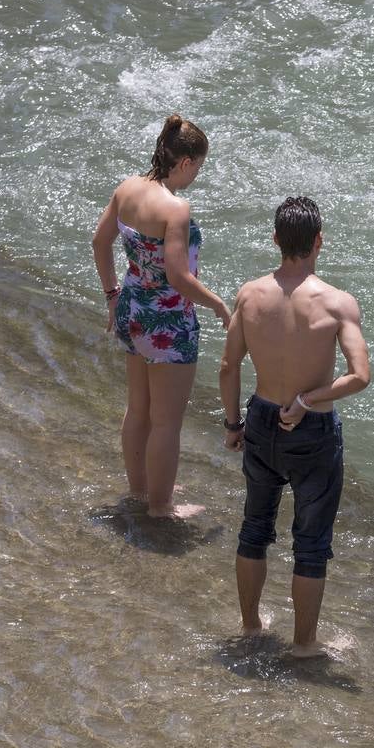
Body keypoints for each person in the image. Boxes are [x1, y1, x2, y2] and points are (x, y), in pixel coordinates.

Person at [219, 196, 371, 657]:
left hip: (262, 418)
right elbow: (360, 375)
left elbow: (228, 366)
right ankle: (304, 645)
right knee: (311, 542)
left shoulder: (249, 295)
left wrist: (232, 424)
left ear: (276, 240)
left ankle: (250, 626)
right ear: (319, 241)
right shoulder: (337, 302)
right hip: (312, 429)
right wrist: (308, 399)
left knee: (254, 528)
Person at [92, 114, 230, 519]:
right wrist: (218, 304)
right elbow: (178, 277)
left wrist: (111, 294)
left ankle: (142, 490)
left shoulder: (128, 189)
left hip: (132, 309)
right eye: (198, 168)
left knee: (138, 410)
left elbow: (100, 242)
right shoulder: (175, 208)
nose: (197, 176)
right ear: (185, 162)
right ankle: (162, 507)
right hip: (168, 323)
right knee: (167, 423)